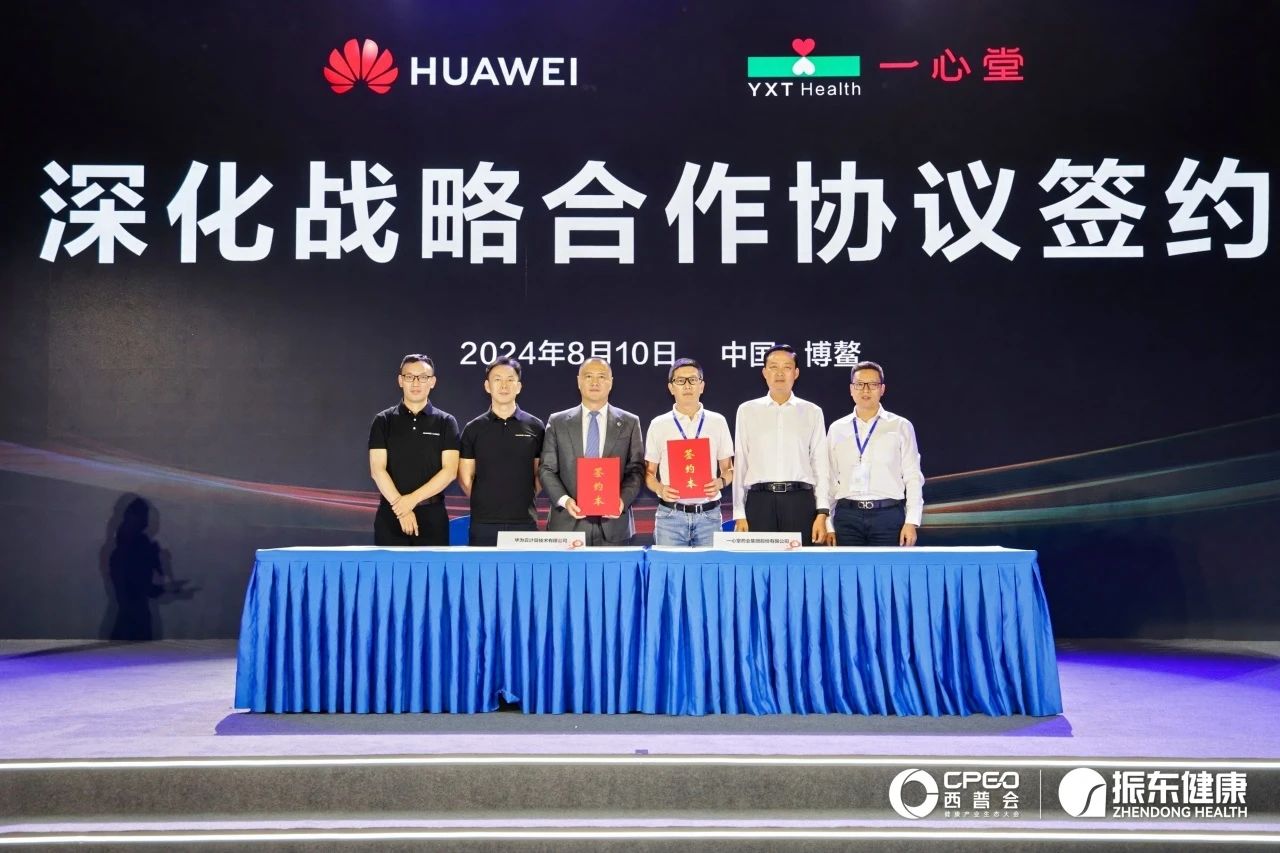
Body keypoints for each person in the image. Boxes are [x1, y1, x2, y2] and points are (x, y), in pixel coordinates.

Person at [540, 357, 645, 545]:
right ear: (579, 381)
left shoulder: (630, 422)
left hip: (614, 525)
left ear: (611, 382)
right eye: (588, 376)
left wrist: (621, 501)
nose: (595, 382)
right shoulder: (557, 422)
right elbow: (547, 469)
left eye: (601, 376)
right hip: (567, 524)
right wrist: (565, 501)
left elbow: (636, 470)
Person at [731, 344, 830, 545]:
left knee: (800, 562)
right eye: (773, 367)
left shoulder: (812, 411)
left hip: (799, 500)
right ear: (764, 372)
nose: (779, 373)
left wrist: (822, 512)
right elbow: (741, 463)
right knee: (760, 562)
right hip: (760, 501)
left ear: (796, 373)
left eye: (786, 367)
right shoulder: (747, 410)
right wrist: (739, 512)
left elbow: (820, 464)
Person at [826, 360, 924, 546]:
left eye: (872, 384)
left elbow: (913, 477)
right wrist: (828, 523)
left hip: (888, 516)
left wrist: (911, 521)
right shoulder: (837, 428)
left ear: (882, 389)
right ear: (851, 389)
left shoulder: (901, 426)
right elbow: (829, 479)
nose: (866, 390)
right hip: (847, 517)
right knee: (848, 566)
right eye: (859, 384)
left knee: (888, 566)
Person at [368, 354, 460, 546]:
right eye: (409, 377)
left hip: (432, 516)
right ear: (400, 380)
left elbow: (450, 471)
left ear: (432, 382)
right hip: (391, 515)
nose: (416, 383)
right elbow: (377, 470)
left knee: (432, 567)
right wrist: (401, 508)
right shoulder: (383, 420)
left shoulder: (446, 422)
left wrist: (410, 501)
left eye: (423, 377)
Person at [644, 358, 734, 547]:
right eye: (680, 381)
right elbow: (649, 473)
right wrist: (660, 489)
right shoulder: (658, 424)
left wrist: (720, 482)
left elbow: (729, 469)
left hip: (709, 515)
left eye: (693, 380)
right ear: (671, 388)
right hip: (670, 517)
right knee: (669, 567)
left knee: (709, 567)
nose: (687, 386)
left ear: (702, 386)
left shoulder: (717, 421)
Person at [458, 357, 546, 546]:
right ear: (487, 386)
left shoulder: (536, 426)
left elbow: (539, 476)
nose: (504, 385)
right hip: (483, 523)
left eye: (510, 379)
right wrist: (487, 500)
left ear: (519, 386)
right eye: (497, 379)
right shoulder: (473, 428)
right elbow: (465, 479)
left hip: (524, 522)